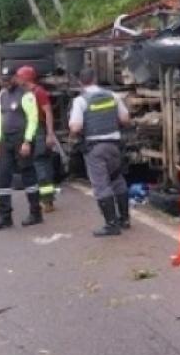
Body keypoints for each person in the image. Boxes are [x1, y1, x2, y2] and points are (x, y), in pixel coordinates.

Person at [68, 67, 132, 236]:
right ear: (95, 79)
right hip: (115, 146)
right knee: (117, 180)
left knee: (101, 185)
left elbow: (76, 127)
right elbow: (125, 119)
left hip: (95, 148)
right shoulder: (113, 95)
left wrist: (73, 134)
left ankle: (111, 225)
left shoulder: (80, 101)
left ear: (81, 82)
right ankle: (124, 219)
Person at [0, 66, 43, 230]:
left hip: (21, 140)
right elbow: (1, 119)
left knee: (28, 175)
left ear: (16, 78)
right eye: (3, 80)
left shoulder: (27, 95)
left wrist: (27, 141)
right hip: (6, 141)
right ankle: (5, 216)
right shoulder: (2, 95)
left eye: (8, 80)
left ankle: (35, 212)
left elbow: (33, 119)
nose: (5, 83)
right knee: (3, 177)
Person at [18, 65, 59, 212]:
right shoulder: (28, 93)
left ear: (25, 78)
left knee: (41, 164)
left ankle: (47, 201)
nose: (17, 79)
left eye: (19, 76)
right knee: (40, 165)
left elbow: (47, 112)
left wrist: (49, 133)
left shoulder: (38, 92)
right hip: (35, 131)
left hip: (40, 131)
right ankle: (47, 199)